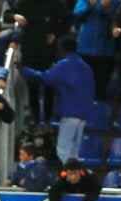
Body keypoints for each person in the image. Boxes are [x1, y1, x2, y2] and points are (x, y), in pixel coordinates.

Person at [20, 35, 95, 164]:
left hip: (70, 112)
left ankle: (71, 179)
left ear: (63, 49)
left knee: (63, 151)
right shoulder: (86, 67)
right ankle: (77, 178)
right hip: (84, 113)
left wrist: (24, 70)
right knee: (74, 152)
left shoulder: (65, 65)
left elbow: (46, 78)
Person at [3, 0, 74, 129]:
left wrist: (56, 34)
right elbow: (6, 15)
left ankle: (47, 120)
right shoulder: (24, 3)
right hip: (29, 51)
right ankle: (36, 120)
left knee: (49, 87)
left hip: (47, 51)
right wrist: (15, 16)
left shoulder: (55, 4)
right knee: (32, 89)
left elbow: (69, 19)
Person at [73, 0, 121, 101]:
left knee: (101, 88)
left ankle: (99, 114)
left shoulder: (117, 1)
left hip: (105, 50)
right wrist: (90, 5)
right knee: (82, 86)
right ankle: (82, 114)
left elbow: (120, 19)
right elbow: (77, 15)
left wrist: (108, 8)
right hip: (84, 48)